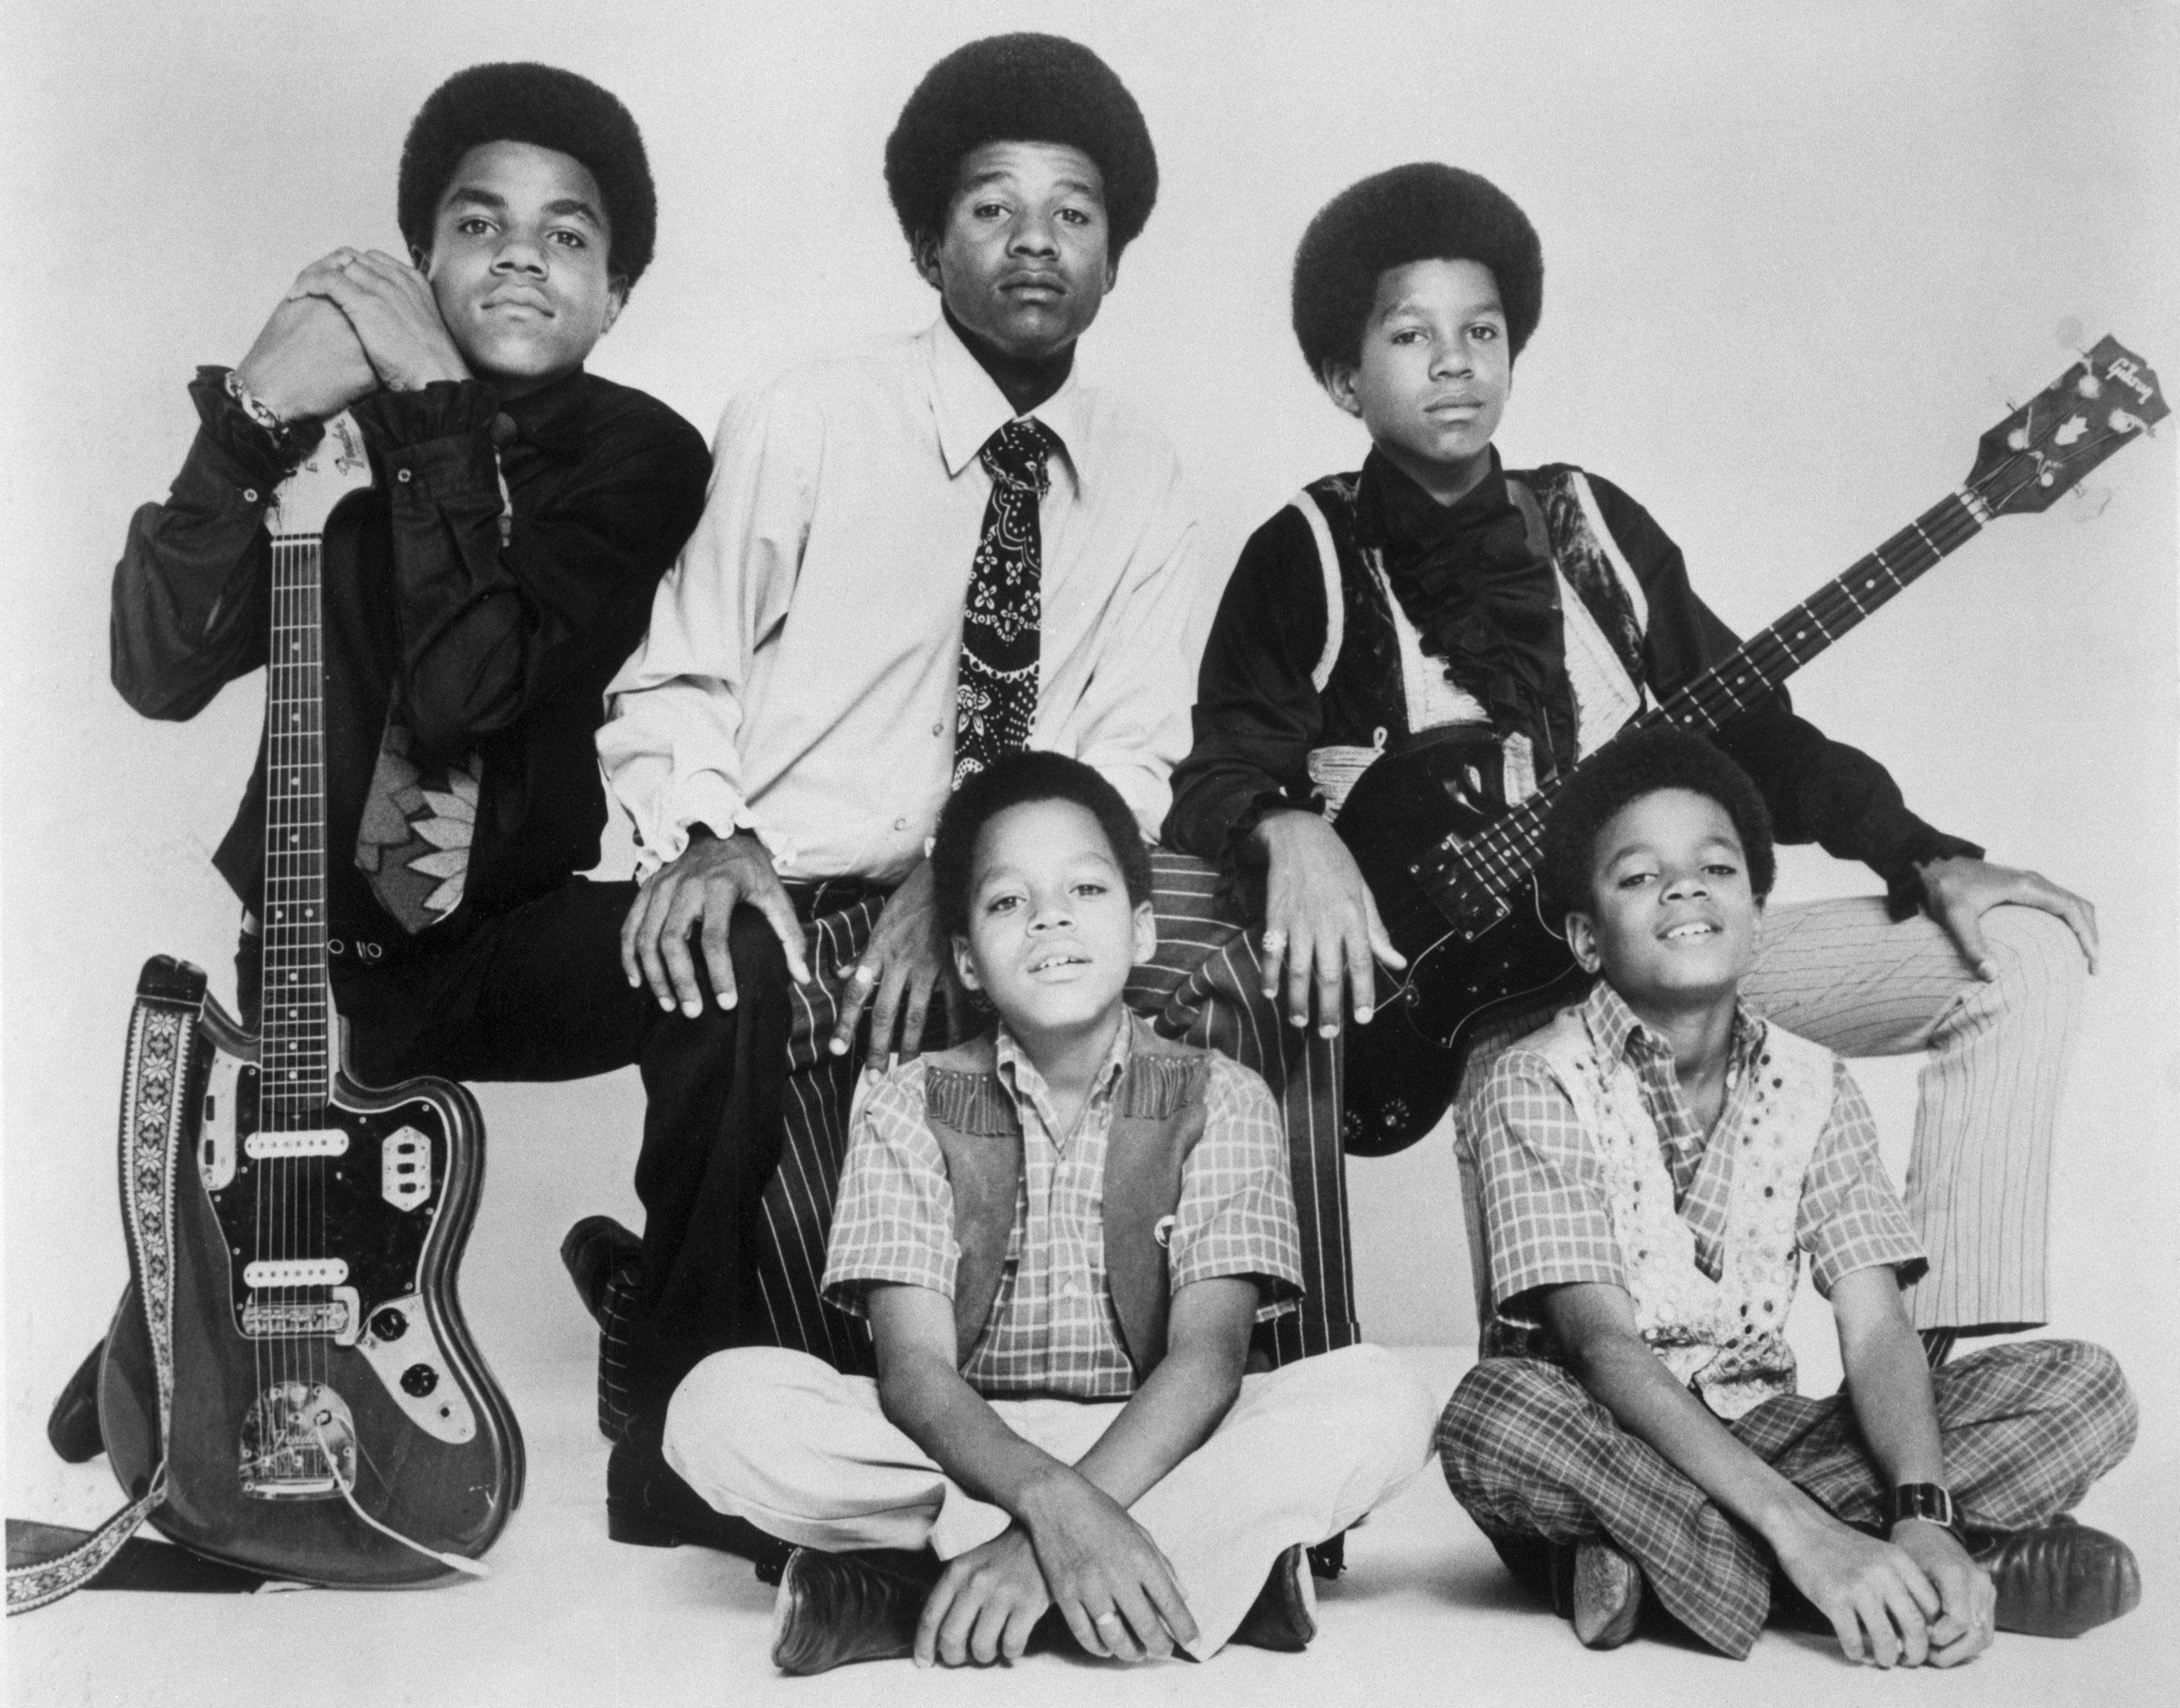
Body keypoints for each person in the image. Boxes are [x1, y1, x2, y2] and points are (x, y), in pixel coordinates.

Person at [587, 33, 1363, 1547]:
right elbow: (680, 674)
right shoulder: (807, 415)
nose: (1033, 243)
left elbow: (1136, 747)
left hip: (999, 872)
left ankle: (1269, 1390)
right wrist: (713, 839)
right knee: (723, 973)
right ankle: (681, 1404)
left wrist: (958, 880)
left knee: (1236, 946)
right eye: (994, 208)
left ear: (1115, 258)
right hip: (790, 866)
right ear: (927, 238)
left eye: (1073, 214)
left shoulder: (1139, 469)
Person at [1164, 162, 2099, 1358]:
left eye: (1482, 331)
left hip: (1678, 949)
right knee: (1580, 1448)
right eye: (1410, 335)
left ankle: (1924, 1384)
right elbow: (1219, 768)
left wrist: (1923, 852)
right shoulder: (1305, 548)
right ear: (1345, 376)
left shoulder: (1590, 522)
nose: (1453, 362)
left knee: (2016, 951)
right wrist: (1284, 828)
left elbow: (1753, 732)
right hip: (1499, 1018)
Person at [68, 65, 735, 1498]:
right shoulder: (329, 437)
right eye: (478, 224)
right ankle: (194, 1285)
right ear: (421, 259)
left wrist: (430, 402)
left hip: (509, 939)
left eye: (567, 237)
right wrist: (249, 415)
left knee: (726, 964)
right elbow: (157, 665)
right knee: (181, 1376)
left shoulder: (641, 455)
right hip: (316, 965)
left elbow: (469, 687)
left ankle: (677, 1348)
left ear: (616, 293)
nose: (518, 256)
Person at [660, 753, 1436, 1672]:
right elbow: (912, 1374)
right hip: (962, 1449)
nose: (1051, 917)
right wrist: (1051, 1505)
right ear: (965, 961)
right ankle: (1190, 1579)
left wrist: (1041, 1536)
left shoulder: (1220, 1097)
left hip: (1157, 1439)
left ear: (1142, 929)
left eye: (1084, 888)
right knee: (715, 1411)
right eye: (1006, 902)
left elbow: (1207, 1362)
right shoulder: (910, 1102)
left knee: (1383, 1400)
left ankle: (917, 1592)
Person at [1436, 726, 2138, 1663]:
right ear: (1585, 938)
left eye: (1715, 868)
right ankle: (1861, 1569)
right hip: (1604, 1441)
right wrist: (1809, 1532)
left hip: (1769, 1435)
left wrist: (1922, 1509)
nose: (1683, 888)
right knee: (1492, 1412)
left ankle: (1689, 1573)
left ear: (1756, 915)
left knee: (2089, 1390)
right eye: (1639, 878)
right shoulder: (1532, 1080)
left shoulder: (1816, 1082)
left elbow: (1877, 1327)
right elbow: (1602, 1350)